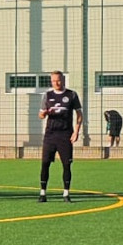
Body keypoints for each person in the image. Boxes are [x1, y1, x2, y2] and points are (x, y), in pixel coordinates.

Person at [38, 71, 83, 203]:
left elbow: (79, 114)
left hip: (65, 134)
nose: (56, 83)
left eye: (58, 80)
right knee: (45, 163)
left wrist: (76, 131)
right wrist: (44, 113)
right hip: (50, 134)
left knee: (66, 164)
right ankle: (42, 193)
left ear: (63, 80)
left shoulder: (71, 95)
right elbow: (40, 115)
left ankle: (66, 194)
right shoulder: (47, 95)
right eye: (53, 81)